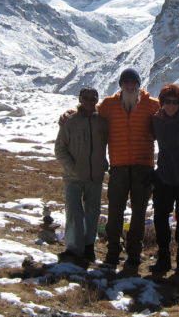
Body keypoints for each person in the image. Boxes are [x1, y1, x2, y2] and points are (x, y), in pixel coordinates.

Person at [97, 67, 159, 272]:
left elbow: (172, 114)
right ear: (121, 85)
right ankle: (113, 251)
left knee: (139, 213)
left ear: (139, 85)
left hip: (144, 167)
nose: (130, 86)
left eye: (134, 82)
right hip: (119, 166)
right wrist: (70, 114)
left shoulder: (152, 105)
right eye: (126, 82)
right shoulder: (108, 105)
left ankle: (134, 253)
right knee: (115, 211)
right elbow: (90, 114)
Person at [54, 88, 108, 266]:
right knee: (74, 213)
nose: (89, 102)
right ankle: (72, 249)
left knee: (92, 214)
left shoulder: (102, 121)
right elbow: (60, 148)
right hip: (74, 177)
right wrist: (72, 167)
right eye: (86, 98)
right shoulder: (70, 121)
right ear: (80, 99)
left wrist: (104, 163)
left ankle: (88, 247)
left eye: (93, 99)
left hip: (95, 177)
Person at [149, 84, 179, 277]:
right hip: (164, 176)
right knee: (160, 218)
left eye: (175, 102)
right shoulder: (156, 120)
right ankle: (163, 258)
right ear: (161, 103)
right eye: (167, 102)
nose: (171, 105)